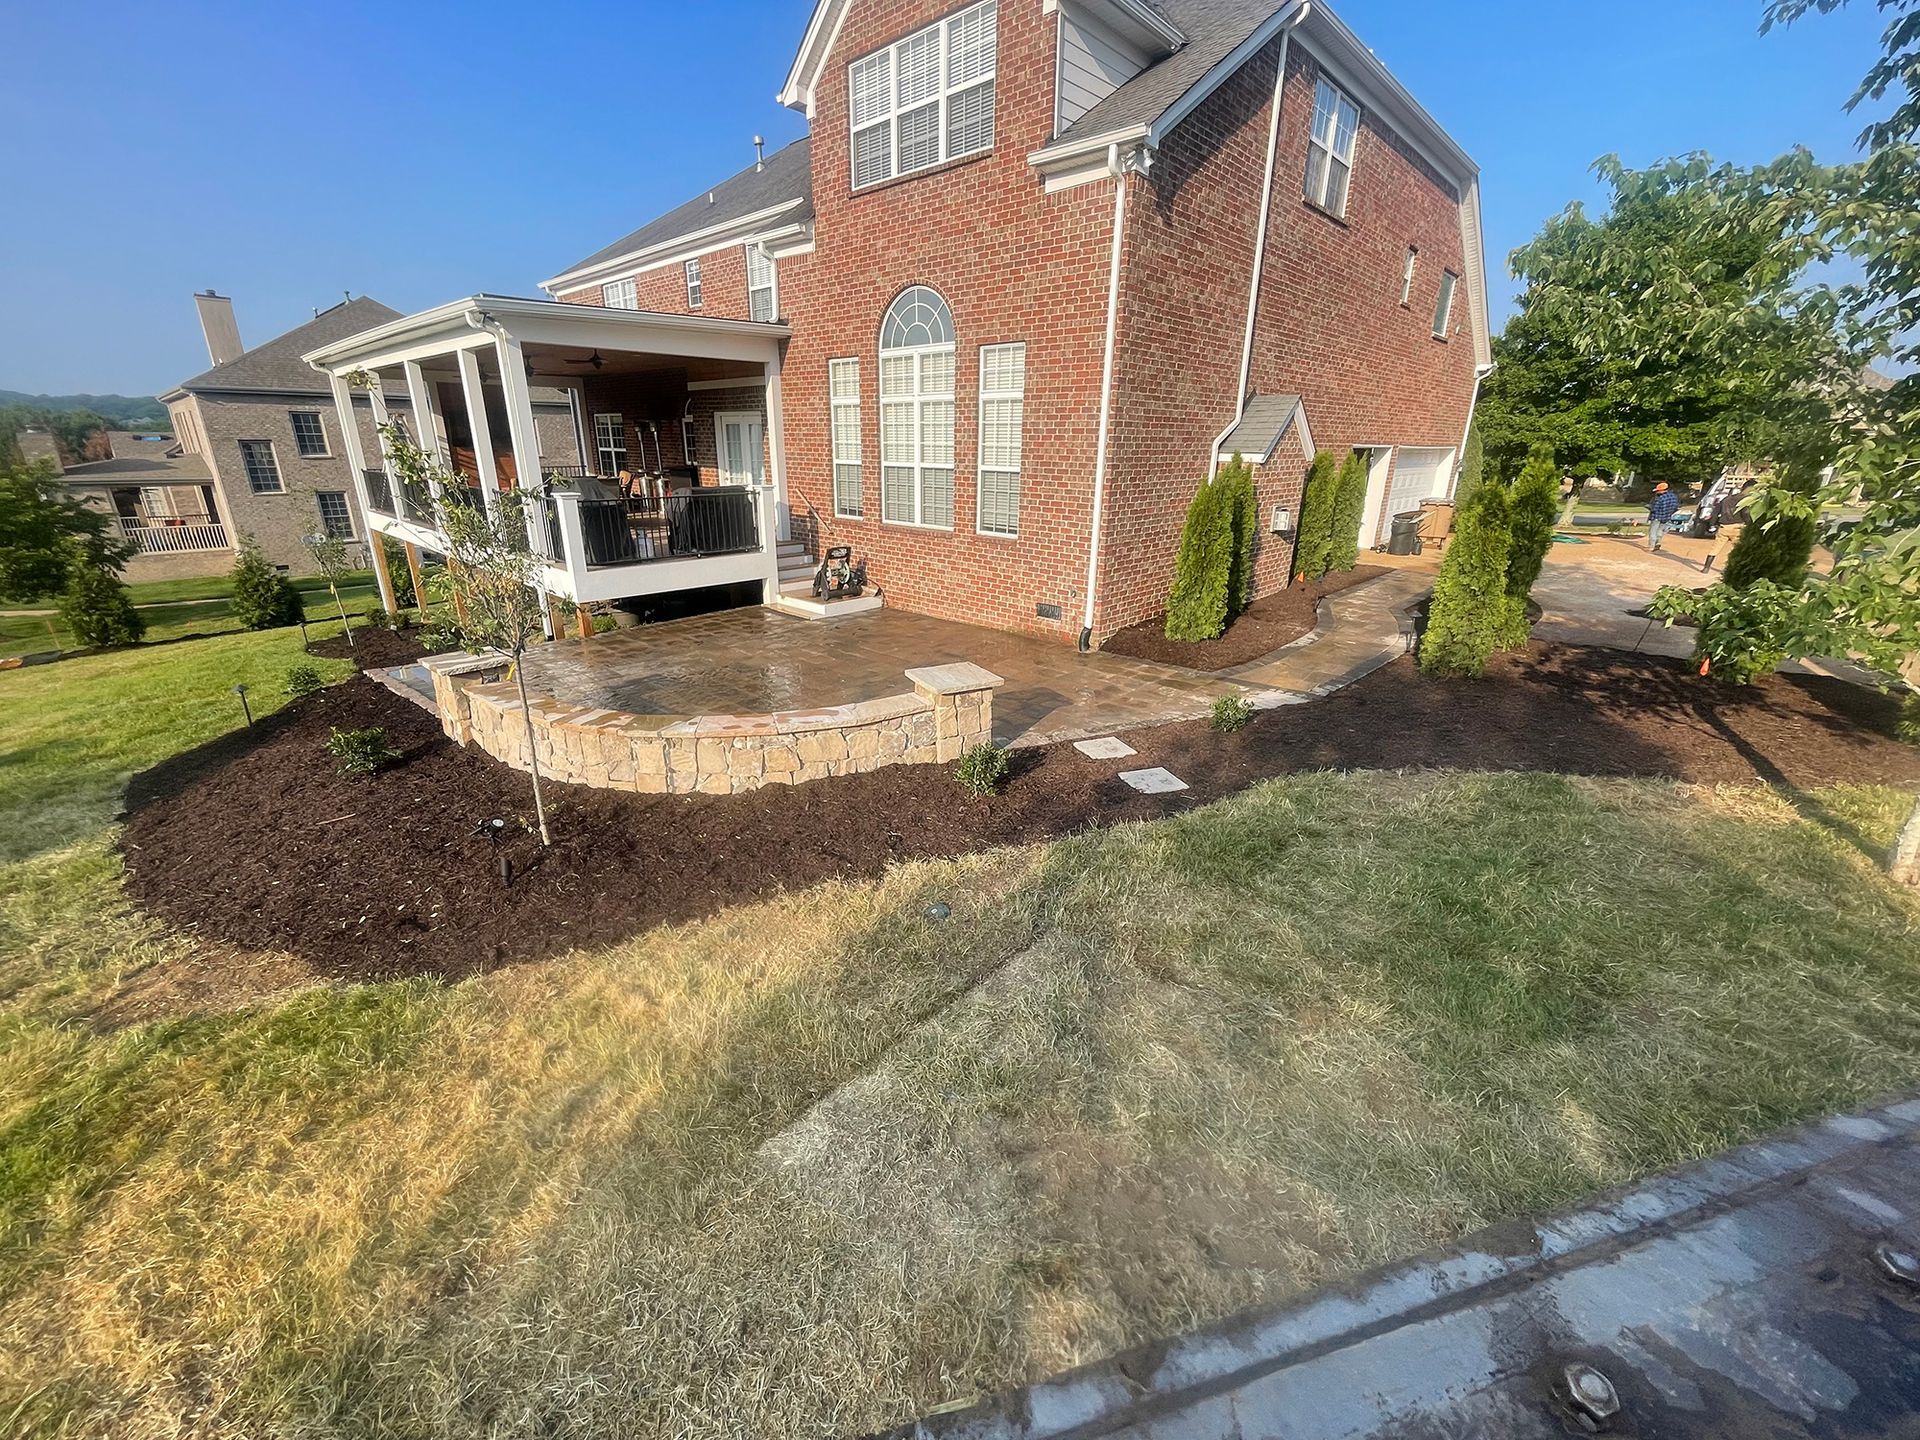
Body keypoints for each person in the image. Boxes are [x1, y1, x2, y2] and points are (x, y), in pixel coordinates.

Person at [1701, 483, 1751, 574]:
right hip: (1737, 528)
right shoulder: (1744, 500)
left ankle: (1706, 568)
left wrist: (1712, 525)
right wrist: (1749, 525)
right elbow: (1745, 514)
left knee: (1715, 549)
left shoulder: (1725, 499)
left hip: (1724, 527)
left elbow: (1715, 513)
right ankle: (1732, 570)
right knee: (1737, 550)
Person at [1646, 482, 1681, 552]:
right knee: (1660, 531)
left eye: (1658, 491)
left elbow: (1654, 509)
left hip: (1657, 516)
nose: (1657, 492)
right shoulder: (1674, 497)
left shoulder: (1660, 498)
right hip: (1666, 517)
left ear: (1663, 490)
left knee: (1653, 531)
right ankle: (1658, 542)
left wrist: (1648, 507)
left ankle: (1651, 546)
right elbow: (1676, 507)